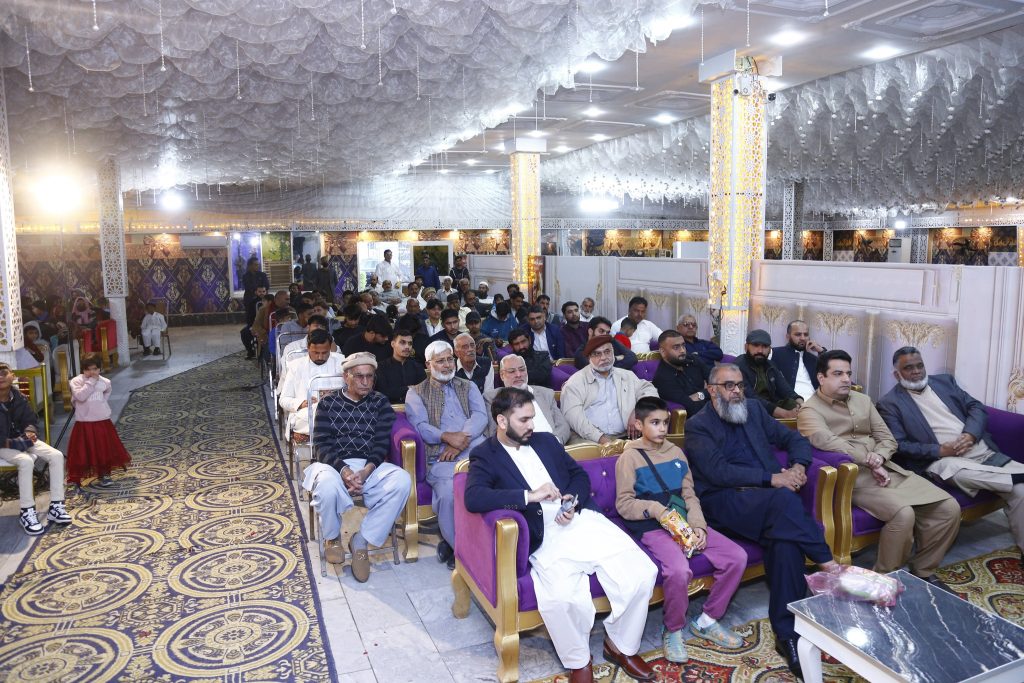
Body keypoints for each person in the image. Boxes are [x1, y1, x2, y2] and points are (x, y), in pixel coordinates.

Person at [465, 388, 658, 683]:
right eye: (524, 420)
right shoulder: (485, 455)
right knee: (562, 598)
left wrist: (572, 501)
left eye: (532, 418)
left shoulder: (546, 441)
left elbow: (579, 475)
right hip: (545, 533)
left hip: (581, 521)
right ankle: (579, 661)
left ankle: (621, 645)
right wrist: (529, 495)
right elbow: (474, 497)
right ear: (502, 421)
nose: (531, 425)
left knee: (642, 572)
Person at [684, 363, 839, 678]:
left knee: (785, 544)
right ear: (711, 390)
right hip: (725, 501)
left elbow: (794, 440)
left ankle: (788, 635)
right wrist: (774, 479)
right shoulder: (698, 425)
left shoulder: (753, 410)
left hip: (768, 501)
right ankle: (829, 566)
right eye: (729, 386)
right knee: (784, 501)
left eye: (740, 385)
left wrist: (797, 467)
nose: (737, 391)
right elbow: (719, 473)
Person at [799, 350, 960, 585]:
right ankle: (885, 577)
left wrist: (880, 458)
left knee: (949, 508)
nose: (846, 379)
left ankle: (923, 570)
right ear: (821, 377)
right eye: (838, 374)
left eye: (848, 373)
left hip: (889, 469)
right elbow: (828, 442)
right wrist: (869, 460)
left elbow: (888, 439)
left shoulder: (863, 400)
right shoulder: (809, 411)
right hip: (852, 479)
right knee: (903, 513)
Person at [615, 397, 746, 662]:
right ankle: (673, 629)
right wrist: (655, 509)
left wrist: (699, 527)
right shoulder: (629, 457)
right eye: (655, 423)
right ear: (639, 425)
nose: (662, 428)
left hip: (684, 522)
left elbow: (689, 495)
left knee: (736, 557)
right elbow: (624, 504)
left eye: (665, 422)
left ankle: (707, 620)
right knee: (678, 570)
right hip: (653, 526)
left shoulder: (676, 452)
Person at [877, 347, 1024, 554]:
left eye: (920, 365)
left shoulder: (945, 382)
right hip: (943, 461)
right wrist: (940, 450)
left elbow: (976, 407)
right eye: (908, 368)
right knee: (954, 470)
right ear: (897, 374)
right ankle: (1017, 474)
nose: (916, 371)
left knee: (1021, 492)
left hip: (981, 452)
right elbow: (899, 445)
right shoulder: (889, 403)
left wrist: (971, 434)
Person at [306, 352, 412, 581]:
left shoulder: (380, 403)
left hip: (369, 466)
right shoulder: (327, 403)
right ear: (346, 377)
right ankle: (332, 538)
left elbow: (381, 444)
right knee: (326, 485)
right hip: (333, 465)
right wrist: (344, 471)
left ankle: (360, 540)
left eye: (370, 377)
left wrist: (365, 471)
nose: (365, 382)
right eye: (359, 376)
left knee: (402, 480)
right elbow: (321, 446)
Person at [405, 341, 487, 568]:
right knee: (449, 495)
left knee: (494, 484)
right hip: (441, 457)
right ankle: (461, 550)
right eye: (440, 361)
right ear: (428, 364)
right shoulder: (416, 392)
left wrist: (460, 440)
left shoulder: (468, 386)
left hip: (475, 450)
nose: (447, 365)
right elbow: (420, 426)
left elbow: (480, 416)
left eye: (450, 359)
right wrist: (446, 437)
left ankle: (488, 543)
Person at [0, 362, 71, 535]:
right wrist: (13, 443)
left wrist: (30, 433)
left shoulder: (18, 397)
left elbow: (30, 420)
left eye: (3, 372)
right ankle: (27, 512)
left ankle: (56, 506)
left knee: (56, 455)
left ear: (12, 376)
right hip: (3, 444)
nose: (0, 377)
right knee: (25, 461)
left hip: (22, 439)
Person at [561, 336, 658, 444]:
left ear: (613, 353)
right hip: (589, 439)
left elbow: (649, 389)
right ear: (589, 358)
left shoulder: (626, 375)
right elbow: (574, 418)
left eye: (607, 352)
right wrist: (602, 439)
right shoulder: (575, 383)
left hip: (627, 436)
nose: (604, 358)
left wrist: (639, 411)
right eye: (597, 354)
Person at [67, 352, 132, 486]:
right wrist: (91, 382)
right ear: (83, 369)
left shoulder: (105, 382)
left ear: (99, 368)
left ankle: (104, 473)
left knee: (103, 449)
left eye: (95, 369)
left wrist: (101, 404)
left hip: (102, 420)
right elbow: (80, 397)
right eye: (88, 369)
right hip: (84, 422)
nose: (92, 372)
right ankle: (76, 476)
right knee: (82, 450)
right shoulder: (77, 381)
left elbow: (107, 392)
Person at [483, 355, 570, 444]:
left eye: (522, 369)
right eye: (512, 371)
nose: (518, 375)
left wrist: (554, 442)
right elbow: (495, 434)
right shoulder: (491, 398)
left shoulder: (546, 394)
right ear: (502, 375)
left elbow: (563, 426)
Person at [279, 330, 345, 439]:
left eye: (325, 353)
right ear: (308, 348)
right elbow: (283, 399)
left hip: (338, 411)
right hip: (307, 415)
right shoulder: (296, 366)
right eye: (316, 353)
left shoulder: (341, 362)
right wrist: (301, 403)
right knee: (320, 418)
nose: (320, 357)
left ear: (330, 348)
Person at [734, 329, 802, 419]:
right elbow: (749, 396)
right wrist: (784, 414)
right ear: (746, 347)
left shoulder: (771, 365)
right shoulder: (738, 366)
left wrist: (800, 402)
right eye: (755, 345)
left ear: (770, 349)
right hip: (749, 408)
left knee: (797, 406)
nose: (760, 351)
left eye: (765, 346)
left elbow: (784, 388)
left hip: (771, 405)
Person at [653, 330, 710, 417]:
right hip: (696, 419)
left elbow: (717, 382)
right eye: (676, 347)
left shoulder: (692, 360)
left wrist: (701, 394)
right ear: (663, 352)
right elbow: (692, 409)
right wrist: (709, 392)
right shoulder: (663, 378)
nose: (682, 350)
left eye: (683, 345)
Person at [772, 320, 826, 401]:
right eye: (798, 334)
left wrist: (821, 351)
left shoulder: (814, 359)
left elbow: (831, 372)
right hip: (789, 402)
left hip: (816, 403)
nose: (803, 338)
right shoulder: (775, 353)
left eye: (806, 334)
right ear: (788, 336)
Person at [376, 328, 426, 403]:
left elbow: (424, 391)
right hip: (389, 408)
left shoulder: (417, 367)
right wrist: (409, 388)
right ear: (393, 344)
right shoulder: (381, 367)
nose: (407, 346)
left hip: (415, 407)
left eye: (410, 343)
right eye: (402, 343)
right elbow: (383, 393)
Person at [573, 317, 637, 371]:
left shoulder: (612, 341)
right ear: (590, 332)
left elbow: (632, 357)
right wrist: (616, 359)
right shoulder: (581, 351)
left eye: (607, 332)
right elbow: (595, 368)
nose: (605, 335)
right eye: (601, 331)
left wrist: (610, 368)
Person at [242, 257, 270, 358]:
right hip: (250, 301)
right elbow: (249, 287)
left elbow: (266, 285)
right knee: (246, 331)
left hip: (264, 318)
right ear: (250, 266)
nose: (257, 266)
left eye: (258, 264)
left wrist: (261, 292)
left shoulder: (262, 275)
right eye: (255, 264)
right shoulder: (246, 276)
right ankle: (250, 351)